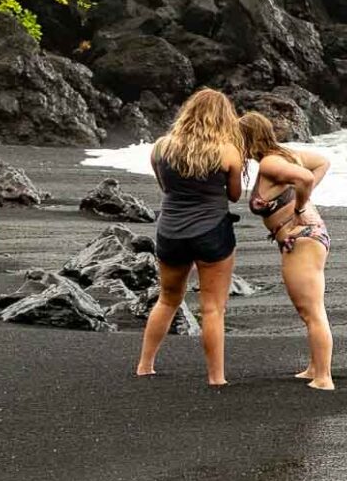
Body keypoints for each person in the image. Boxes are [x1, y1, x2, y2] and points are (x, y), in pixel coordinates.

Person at [137, 88, 245, 386]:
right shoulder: (227, 152)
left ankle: (145, 365)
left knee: (168, 299)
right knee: (212, 307)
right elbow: (235, 196)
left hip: (170, 230)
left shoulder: (161, 147)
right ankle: (216, 377)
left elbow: (165, 188)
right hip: (212, 231)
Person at [239, 111, 335, 391]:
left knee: (312, 311)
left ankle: (323, 378)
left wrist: (301, 207)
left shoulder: (270, 162)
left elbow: (305, 178)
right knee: (309, 310)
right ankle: (314, 368)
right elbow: (322, 163)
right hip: (310, 237)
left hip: (303, 239)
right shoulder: (285, 154)